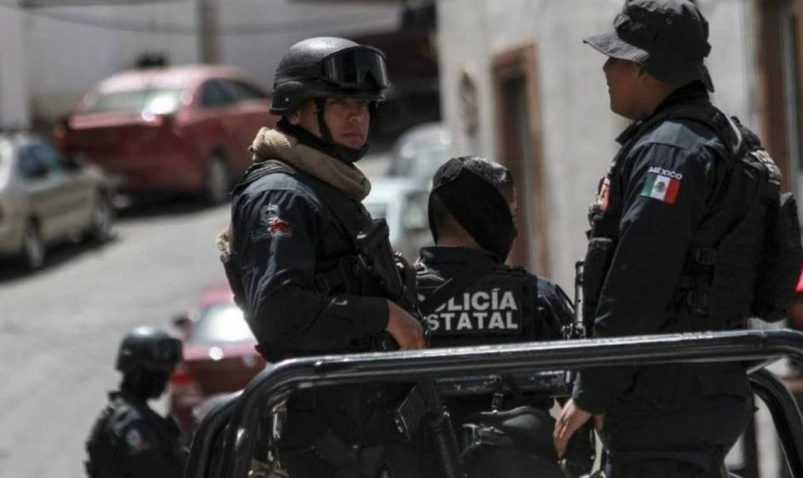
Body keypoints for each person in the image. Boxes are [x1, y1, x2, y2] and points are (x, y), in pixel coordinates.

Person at [553, 1, 792, 476]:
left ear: (645, 69)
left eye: (616, 58)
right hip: (698, 389)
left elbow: (640, 277)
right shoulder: (720, 139)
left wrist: (593, 390)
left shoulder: (671, 150)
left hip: (664, 397)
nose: (605, 69)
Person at [220, 36, 426, 477]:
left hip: (364, 425)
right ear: (296, 111)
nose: (357, 116)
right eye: (338, 103)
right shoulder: (281, 195)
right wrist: (384, 315)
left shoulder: (329, 187)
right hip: (327, 439)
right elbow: (277, 311)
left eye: (364, 105)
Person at [416, 156, 593, 477]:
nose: (514, 230)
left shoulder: (399, 304)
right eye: (510, 216)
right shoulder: (537, 297)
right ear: (488, 216)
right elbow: (585, 392)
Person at [85, 326, 185, 478]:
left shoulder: (135, 416)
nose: (164, 379)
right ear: (137, 371)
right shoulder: (132, 423)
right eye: (158, 371)